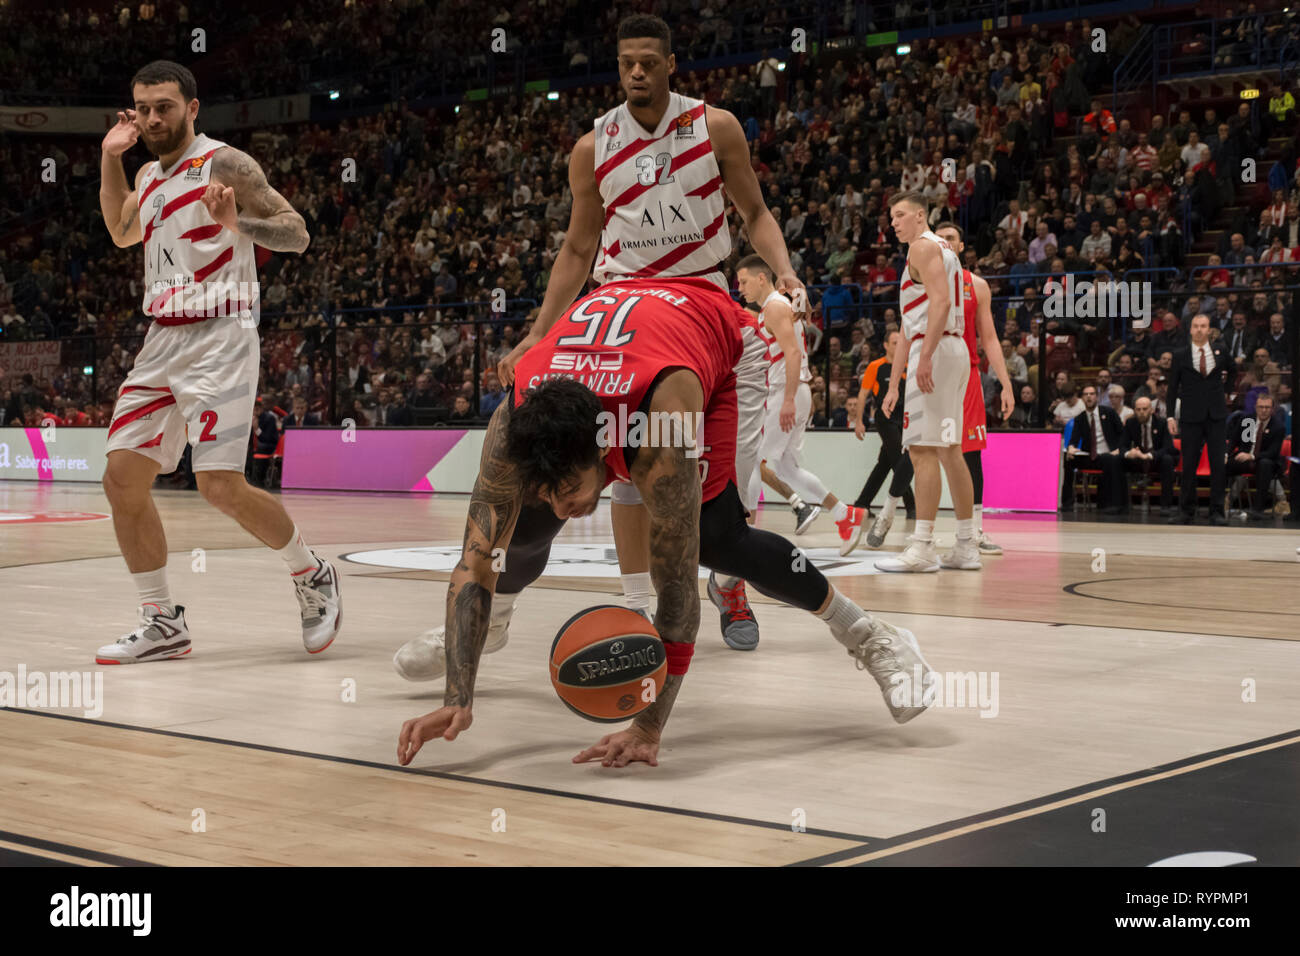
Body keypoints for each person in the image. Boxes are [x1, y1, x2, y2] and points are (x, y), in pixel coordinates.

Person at [394, 278, 935, 768]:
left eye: (569, 492)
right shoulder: (514, 419)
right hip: (624, 330)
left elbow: (674, 590)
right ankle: (493, 626)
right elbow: (474, 561)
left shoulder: (665, 424)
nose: (567, 509)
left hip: (717, 351)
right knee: (520, 529)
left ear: (605, 450)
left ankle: (871, 635)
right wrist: (456, 697)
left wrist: (649, 725)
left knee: (717, 538)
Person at [488, 14, 814, 656]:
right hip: (625, 312)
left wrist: (784, 270)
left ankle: (730, 586)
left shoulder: (714, 127)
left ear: (670, 64)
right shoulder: (591, 146)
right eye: (625, 62)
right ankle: (630, 611)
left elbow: (753, 209)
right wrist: (535, 333)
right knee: (622, 467)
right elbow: (579, 247)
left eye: (647, 61)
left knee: (725, 489)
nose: (636, 71)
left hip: (701, 307)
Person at [94, 60, 340, 664]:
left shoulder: (225, 162)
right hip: (162, 339)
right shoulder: (148, 174)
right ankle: (161, 621)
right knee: (121, 477)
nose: (153, 117)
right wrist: (110, 158)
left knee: (219, 486)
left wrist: (240, 224)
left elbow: (297, 233)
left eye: (165, 106)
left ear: (192, 108)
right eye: (143, 107)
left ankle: (311, 573)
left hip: (222, 332)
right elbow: (121, 232)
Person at [874, 192, 978, 572]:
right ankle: (966, 545)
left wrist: (927, 356)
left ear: (920, 216)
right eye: (892, 217)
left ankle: (922, 548)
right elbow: (907, 324)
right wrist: (893, 383)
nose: (894, 223)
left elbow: (940, 304)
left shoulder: (921, 247)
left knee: (921, 450)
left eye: (900, 215)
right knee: (950, 450)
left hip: (935, 349)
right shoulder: (942, 250)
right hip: (951, 349)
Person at [745, 256, 868, 556]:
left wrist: (786, 399)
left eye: (744, 281)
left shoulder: (774, 307)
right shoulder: (786, 306)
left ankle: (740, 534)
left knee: (750, 459)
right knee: (786, 468)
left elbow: (793, 354)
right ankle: (845, 516)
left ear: (762, 278)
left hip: (785, 392)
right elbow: (803, 316)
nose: (740, 288)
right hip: (797, 391)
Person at [934, 222, 1015, 555]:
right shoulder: (921, 281)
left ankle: (974, 530)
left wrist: (1006, 384)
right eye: (939, 240)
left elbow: (990, 339)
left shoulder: (977, 285)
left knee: (969, 453)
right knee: (921, 452)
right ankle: (916, 526)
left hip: (966, 375)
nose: (945, 244)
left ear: (962, 245)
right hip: (931, 372)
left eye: (951, 238)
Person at [1167, 313, 1231, 524]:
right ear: (1190, 329)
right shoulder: (1180, 354)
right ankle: (1186, 511)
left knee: (1218, 466)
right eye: (1196, 326)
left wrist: (1227, 394)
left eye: (1204, 326)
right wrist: (1169, 416)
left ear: (1210, 329)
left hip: (1216, 415)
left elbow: (1234, 371)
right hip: (1190, 416)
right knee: (1189, 465)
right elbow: (1172, 388)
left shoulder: (1221, 351)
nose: (1200, 330)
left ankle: (1217, 511)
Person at [851, 330, 916, 517]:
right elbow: (863, 394)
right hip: (885, 419)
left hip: (903, 420)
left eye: (901, 342)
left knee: (884, 464)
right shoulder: (876, 366)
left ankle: (861, 504)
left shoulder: (908, 366)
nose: (899, 345)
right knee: (900, 460)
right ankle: (911, 506)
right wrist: (859, 422)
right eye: (895, 342)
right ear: (886, 345)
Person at [1062, 385, 1128, 513]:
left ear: (1096, 397)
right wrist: (1070, 448)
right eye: (1086, 394)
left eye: (1091, 394)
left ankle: (1111, 505)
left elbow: (1122, 434)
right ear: (1082, 398)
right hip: (1091, 455)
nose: (1089, 397)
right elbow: (1074, 440)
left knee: (1110, 459)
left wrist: (1119, 449)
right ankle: (1067, 503)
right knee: (1068, 459)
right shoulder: (1080, 418)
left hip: (1109, 453)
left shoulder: (1109, 413)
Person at [1226, 393, 1288, 517]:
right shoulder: (1247, 421)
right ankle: (1221, 503)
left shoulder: (1278, 426)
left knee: (1264, 464)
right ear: (1255, 407)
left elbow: (1272, 452)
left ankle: (1257, 509)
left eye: (1267, 407)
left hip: (1266, 460)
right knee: (1223, 463)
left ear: (1272, 409)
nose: (1263, 410)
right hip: (1245, 459)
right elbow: (1234, 440)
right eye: (1261, 407)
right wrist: (1226, 454)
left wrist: (1252, 456)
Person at [1120, 395, 1177, 515]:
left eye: (1144, 409)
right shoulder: (1131, 423)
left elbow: (1168, 447)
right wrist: (1129, 453)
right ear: (1134, 410)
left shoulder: (1161, 423)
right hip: (1139, 458)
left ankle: (1166, 506)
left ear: (1151, 410)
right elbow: (1122, 445)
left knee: (1167, 460)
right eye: (1138, 409)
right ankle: (1121, 505)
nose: (1141, 412)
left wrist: (1150, 455)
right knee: (1118, 460)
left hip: (1156, 458)